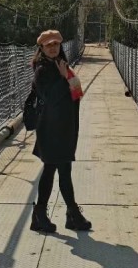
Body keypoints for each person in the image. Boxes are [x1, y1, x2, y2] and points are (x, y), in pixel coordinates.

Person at [30, 29, 92, 233]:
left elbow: (77, 93)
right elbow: (51, 98)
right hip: (50, 128)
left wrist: (66, 76)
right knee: (58, 170)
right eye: (49, 45)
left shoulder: (61, 65)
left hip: (64, 126)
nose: (53, 48)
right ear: (42, 48)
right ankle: (68, 214)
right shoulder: (42, 70)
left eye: (56, 44)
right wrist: (65, 78)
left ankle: (50, 215)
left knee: (59, 170)